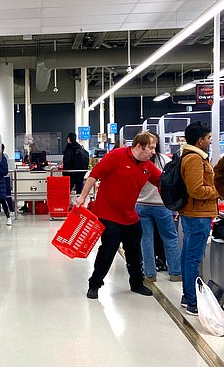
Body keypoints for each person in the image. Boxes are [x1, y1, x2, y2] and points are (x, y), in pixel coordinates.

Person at [75, 131, 160, 299]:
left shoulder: (148, 167)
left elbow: (163, 183)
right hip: (108, 214)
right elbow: (94, 175)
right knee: (108, 250)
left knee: (135, 253)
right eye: (150, 148)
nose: (153, 152)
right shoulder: (117, 156)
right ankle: (95, 284)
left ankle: (136, 283)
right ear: (138, 146)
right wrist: (82, 197)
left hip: (130, 216)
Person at [177, 121, 219, 316]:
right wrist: (217, 191)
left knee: (188, 257)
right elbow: (196, 190)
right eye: (208, 138)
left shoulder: (190, 156)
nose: (210, 141)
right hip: (198, 215)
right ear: (200, 140)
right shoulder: (194, 159)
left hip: (193, 214)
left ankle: (188, 297)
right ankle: (193, 301)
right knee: (193, 259)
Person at [135, 132, 182, 283]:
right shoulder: (165, 160)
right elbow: (171, 184)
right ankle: (175, 273)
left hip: (141, 205)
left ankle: (150, 274)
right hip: (162, 205)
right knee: (169, 238)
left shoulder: (139, 162)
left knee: (146, 240)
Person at [0, 145, 11, 229]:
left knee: (3, 200)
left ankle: (8, 217)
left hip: (0, 182)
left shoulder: (2, 159)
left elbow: (4, 171)